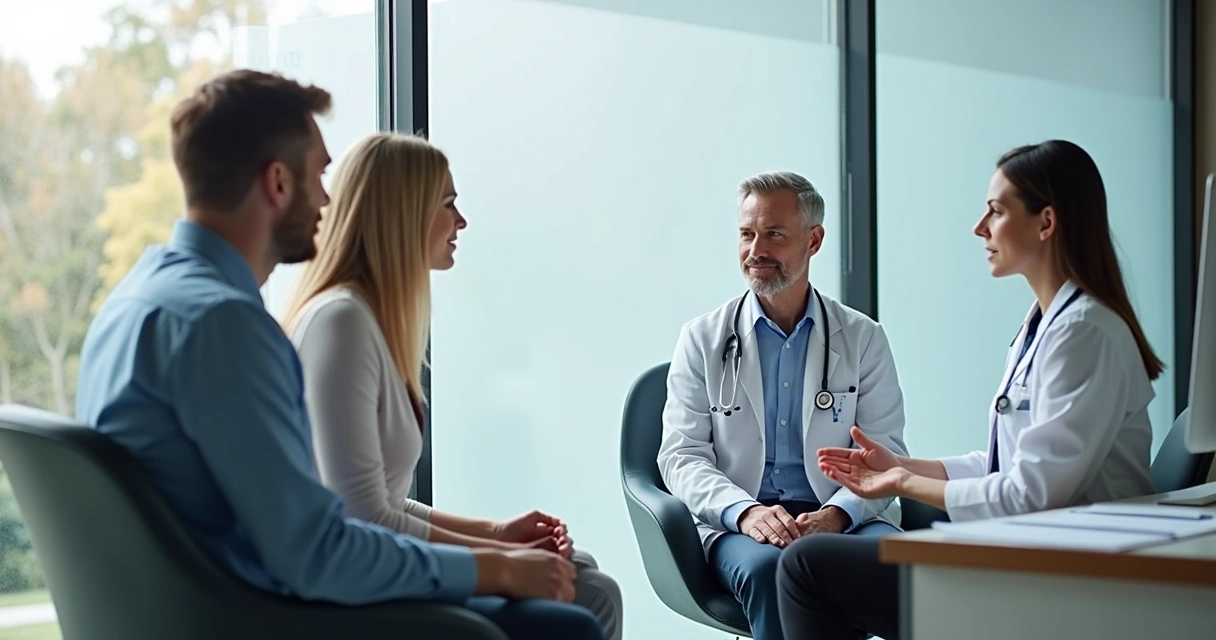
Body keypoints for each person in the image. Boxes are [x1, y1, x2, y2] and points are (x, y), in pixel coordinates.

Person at [74, 69, 603, 640]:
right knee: (566, 622)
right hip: (255, 616)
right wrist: (494, 565)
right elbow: (321, 551)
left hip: (202, 607)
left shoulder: (138, 300)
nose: (329, 198)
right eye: (319, 174)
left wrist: (495, 544)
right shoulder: (224, 328)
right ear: (278, 183)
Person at [776, 139, 1160, 640]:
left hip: (1061, 578)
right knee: (811, 563)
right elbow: (1005, 463)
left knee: (807, 567)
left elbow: (1031, 493)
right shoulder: (1044, 325)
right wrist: (901, 466)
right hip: (1023, 552)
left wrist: (901, 485)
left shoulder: (1084, 332)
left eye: (996, 212)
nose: (980, 228)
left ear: (1046, 223)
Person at [280, 131, 624, 640]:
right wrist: (502, 558)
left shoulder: (366, 320)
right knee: (591, 595)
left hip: (381, 568)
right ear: (404, 214)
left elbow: (387, 497)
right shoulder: (342, 324)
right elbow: (365, 516)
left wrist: (495, 532)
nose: (461, 222)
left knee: (588, 571)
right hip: (356, 600)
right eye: (448, 204)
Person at [657, 170, 909, 640]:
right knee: (773, 573)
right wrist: (745, 512)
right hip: (740, 522)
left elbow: (885, 454)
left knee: (896, 568)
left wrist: (836, 516)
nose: (756, 251)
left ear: (814, 240)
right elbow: (681, 456)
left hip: (845, 518)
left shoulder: (863, 339)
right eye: (747, 234)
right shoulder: (702, 339)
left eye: (774, 234)